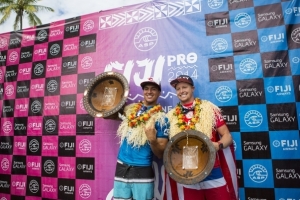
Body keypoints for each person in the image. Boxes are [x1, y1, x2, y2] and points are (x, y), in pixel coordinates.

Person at [164, 75, 238, 200]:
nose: (181, 91)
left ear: (192, 88)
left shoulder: (209, 108)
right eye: (178, 88)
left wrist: (218, 145)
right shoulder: (170, 116)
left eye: (184, 87)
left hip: (211, 168)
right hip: (186, 172)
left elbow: (227, 136)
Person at [113, 77, 170, 200]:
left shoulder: (161, 118)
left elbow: (161, 153)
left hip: (142, 168)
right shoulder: (130, 109)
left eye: (153, 89)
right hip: (121, 166)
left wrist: (152, 140)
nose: (149, 91)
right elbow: (111, 114)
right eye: (146, 88)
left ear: (159, 92)